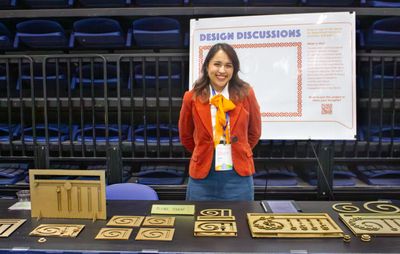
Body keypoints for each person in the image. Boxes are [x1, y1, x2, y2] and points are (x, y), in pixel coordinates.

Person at [179, 43, 261, 201]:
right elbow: (186, 136)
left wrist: (238, 150)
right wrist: (204, 151)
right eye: (217, 64)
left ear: (234, 69)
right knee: (199, 223)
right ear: (207, 65)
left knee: (240, 223)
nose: (222, 70)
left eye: (228, 66)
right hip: (203, 177)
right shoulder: (191, 97)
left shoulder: (246, 94)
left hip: (238, 177)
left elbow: (254, 132)